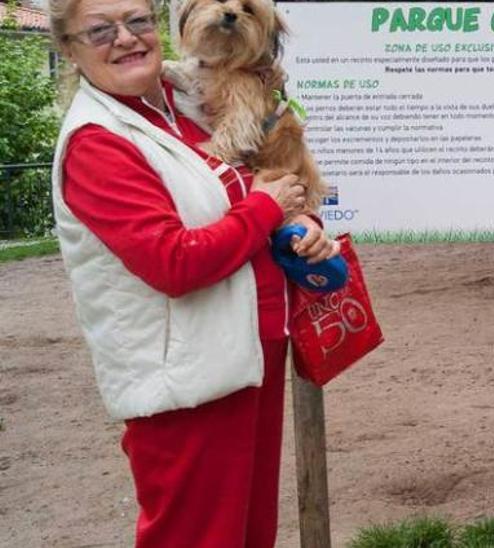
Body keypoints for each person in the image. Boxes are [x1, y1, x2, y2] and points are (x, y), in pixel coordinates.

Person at [47, 0, 339, 545]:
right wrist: (267, 209)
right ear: (69, 48)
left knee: (249, 533)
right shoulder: (98, 143)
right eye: (100, 30)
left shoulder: (188, 98)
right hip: (186, 382)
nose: (127, 39)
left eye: (137, 22)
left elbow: (257, 182)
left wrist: (301, 225)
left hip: (249, 353)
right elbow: (174, 262)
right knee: (197, 536)